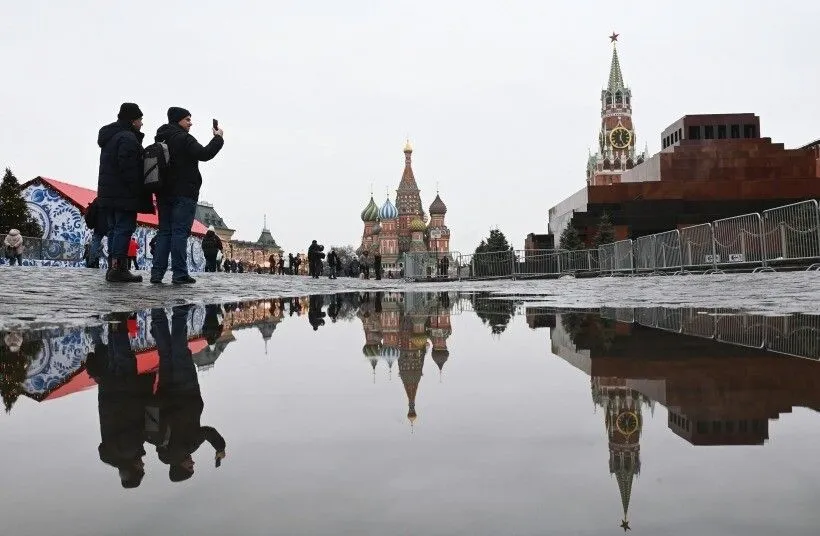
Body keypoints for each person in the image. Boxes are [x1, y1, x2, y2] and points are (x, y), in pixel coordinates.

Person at [151, 305, 226, 482]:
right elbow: (150, 414)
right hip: (165, 388)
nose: (193, 463)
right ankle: (157, 312)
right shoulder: (158, 444)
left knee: (180, 350)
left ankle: (179, 312)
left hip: (186, 389)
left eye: (190, 467)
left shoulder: (188, 446)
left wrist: (220, 448)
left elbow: (208, 432)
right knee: (166, 353)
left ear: (180, 467)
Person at [150, 107, 224, 285]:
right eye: (187, 119)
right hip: (184, 193)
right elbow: (204, 154)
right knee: (179, 233)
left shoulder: (161, 138)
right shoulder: (184, 138)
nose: (191, 123)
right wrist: (218, 138)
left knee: (164, 233)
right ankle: (180, 273)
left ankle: (157, 273)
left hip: (163, 193)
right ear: (178, 120)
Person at [96, 102, 153, 282]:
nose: (142, 123)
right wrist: (137, 190)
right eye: (140, 119)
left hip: (109, 193)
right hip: (124, 194)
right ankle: (119, 269)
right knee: (123, 228)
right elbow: (128, 168)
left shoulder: (111, 137)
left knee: (114, 229)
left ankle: (112, 268)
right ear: (132, 120)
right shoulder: (127, 138)